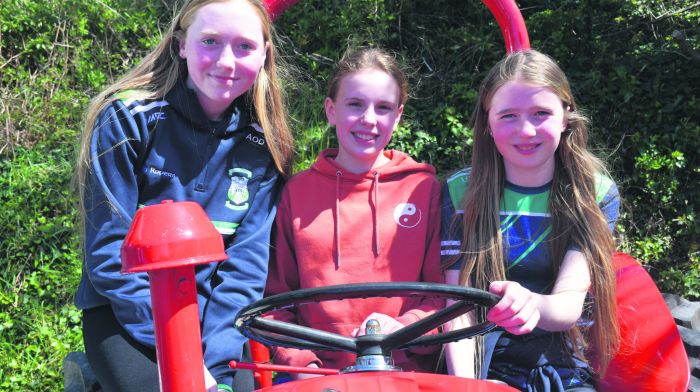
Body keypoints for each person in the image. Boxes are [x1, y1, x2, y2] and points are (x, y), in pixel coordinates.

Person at [73, 1, 293, 391]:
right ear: (181, 46)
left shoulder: (266, 144)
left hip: (219, 324)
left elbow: (246, 268)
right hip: (128, 319)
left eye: (244, 46)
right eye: (210, 41)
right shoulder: (127, 119)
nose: (226, 61)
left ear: (264, 55)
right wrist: (182, 356)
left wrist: (216, 365)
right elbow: (108, 258)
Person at [441, 49, 620, 391]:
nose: (525, 130)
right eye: (508, 115)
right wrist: (467, 387)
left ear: (565, 117)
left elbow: (568, 304)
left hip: (564, 364)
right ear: (488, 123)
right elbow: (458, 309)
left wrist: (529, 303)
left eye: (541, 113)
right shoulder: (459, 191)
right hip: (485, 360)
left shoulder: (596, 194)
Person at [265, 47, 444, 376]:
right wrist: (302, 365)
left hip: (405, 372)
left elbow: (440, 297)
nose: (369, 120)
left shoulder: (423, 189)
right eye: (355, 104)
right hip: (316, 376)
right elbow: (277, 301)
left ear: (399, 116)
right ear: (331, 110)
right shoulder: (297, 194)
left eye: (384, 108)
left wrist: (401, 329)